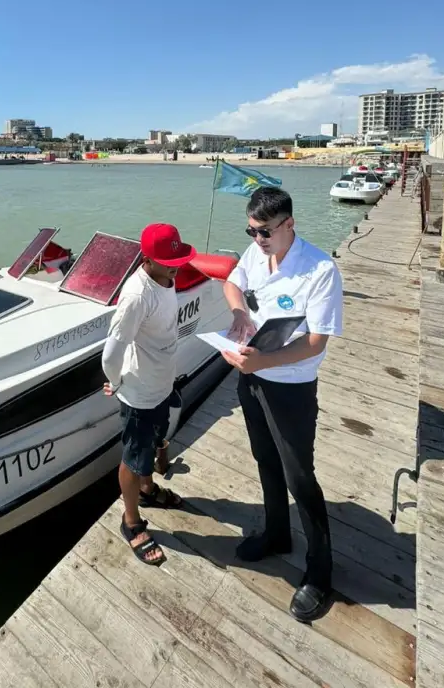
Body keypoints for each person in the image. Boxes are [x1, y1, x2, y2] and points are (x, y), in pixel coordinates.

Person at [222, 185, 343, 622]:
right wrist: (238, 313)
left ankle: (320, 572)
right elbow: (233, 282)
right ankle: (276, 534)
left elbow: (315, 342)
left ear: (289, 223)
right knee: (264, 460)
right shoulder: (256, 253)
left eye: (265, 231)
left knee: (300, 476)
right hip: (252, 377)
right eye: (251, 231)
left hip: (290, 385)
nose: (257, 239)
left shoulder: (320, 269)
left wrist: (265, 360)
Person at [101, 222, 196, 566]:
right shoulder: (137, 297)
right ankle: (131, 522)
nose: (175, 266)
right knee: (133, 456)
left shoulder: (167, 278)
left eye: (178, 259)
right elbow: (111, 353)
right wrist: (116, 381)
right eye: (166, 261)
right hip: (139, 393)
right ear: (147, 259)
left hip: (161, 383)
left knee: (149, 450)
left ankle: (146, 490)